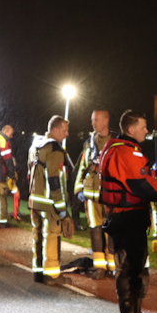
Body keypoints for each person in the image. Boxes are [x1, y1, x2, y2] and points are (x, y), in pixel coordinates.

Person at [100, 110, 157, 313]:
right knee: (129, 267)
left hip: (126, 216)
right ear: (131, 130)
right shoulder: (125, 152)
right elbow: (140, 185)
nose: (146, 130)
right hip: (127, 217)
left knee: (135, 266)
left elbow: (143, 179)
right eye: (143, 126)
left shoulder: (122, 149)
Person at [28, 116, 72, 285]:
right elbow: (55, 180)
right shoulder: (54, 149)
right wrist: (62, 209)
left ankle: (38, 272)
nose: (67, 134)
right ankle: (52, 275)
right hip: (48, 202)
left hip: (35, 200)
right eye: (64, 130)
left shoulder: (35, 146)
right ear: (55, 130)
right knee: (51, 236)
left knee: (37, 236)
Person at [74, 110, 118, 277]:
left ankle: (113, 265)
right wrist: (78, 188)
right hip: (91, 194)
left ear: (106, 121)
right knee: (95, 229)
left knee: (112, 229)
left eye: (96, 120)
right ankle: (100, 266)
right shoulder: (89, 143)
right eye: (92, 120)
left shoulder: (116, 142)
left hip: (110, 194)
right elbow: (82, 168)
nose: (93, 123)